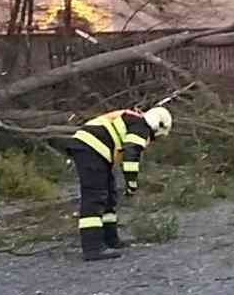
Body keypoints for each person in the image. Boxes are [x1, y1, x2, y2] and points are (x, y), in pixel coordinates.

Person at [68, 106, 173, 262]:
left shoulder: (133, 121)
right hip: (91, 149)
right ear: (158, 125)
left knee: (109, 195)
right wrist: (131, 184)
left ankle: (111, 240)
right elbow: (131, 155)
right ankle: (92, 247)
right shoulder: (140, 126)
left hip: (94, 150)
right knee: (95, 196)